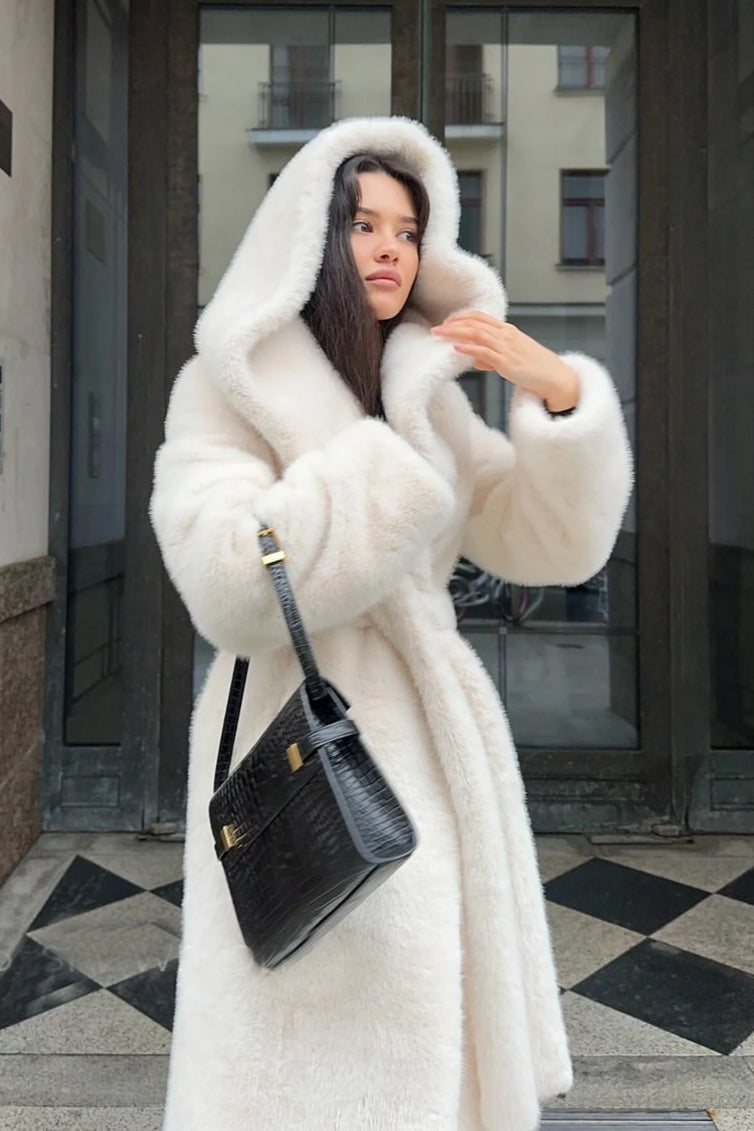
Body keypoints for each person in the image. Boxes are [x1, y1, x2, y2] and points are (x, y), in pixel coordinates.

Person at [150, 116, 633, 1131]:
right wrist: (382, 472)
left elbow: (544, 538)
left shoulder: (427, 393)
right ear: (310, 238)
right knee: (311, 1039)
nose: (388, 249)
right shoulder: (229, 387)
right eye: (362, 224)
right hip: (302, 742)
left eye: (408, 231)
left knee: (427, 1034)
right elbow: (225, 578)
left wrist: (557, 395)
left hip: (434, 749)